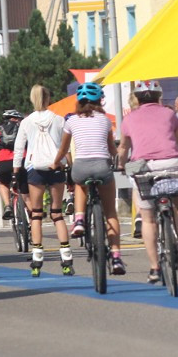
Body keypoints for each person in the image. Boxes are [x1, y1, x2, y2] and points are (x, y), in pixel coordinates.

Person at [117, 80, 178, 283]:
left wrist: (120, 164)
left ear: (138, 98)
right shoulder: (170, 114)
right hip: (171, 162)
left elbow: (124, 148)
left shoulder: (129, 119)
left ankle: (154, 268)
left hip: (145, 168)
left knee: (149, 218)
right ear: (158, 97)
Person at [55, 82, 121, 276]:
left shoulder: (71, 121)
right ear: (100, 101)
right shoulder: (105, 120)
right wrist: (119, 160)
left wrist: (55, 162)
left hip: (81, 167)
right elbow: (111, 148)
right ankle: (116, 258)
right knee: (110, 213)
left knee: (79, 183)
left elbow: (63, 148)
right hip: (102, 166)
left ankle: (80, 219)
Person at [13, 85, 70, 277]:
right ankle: (66, 256)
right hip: (56, 167)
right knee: (57, 214)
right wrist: (67, 164)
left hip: (35, 169)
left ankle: (37, 257)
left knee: (36, 214)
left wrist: (15, 172)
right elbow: (66, 146)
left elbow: (19, 148)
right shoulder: (59, 119)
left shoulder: (26, 122)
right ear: (48, 98)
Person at [0, 110, 28, 222]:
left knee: (3, 183)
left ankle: (8, 205)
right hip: (21, 162)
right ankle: (34, 219)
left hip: (4, 164)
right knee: (26, 193)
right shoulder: (23, 130)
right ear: (17, 119)